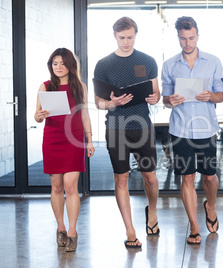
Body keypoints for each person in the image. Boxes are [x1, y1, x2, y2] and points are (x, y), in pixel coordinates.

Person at [94, 16, 161, 249]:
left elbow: (156, 94)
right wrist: (112, 103)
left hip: (142, 126)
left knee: (150, 177)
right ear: (115, 36)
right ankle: (130, 231)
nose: (126, 42)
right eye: (121, 38)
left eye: (130, 37)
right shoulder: (103, 64)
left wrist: (155, 98)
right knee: (120, 178)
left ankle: (152, 212)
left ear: (135, 35)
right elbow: (98, 103)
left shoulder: (148, 60)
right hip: (115, 128)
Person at [161, 16, 223, 245]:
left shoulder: (213, 61)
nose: (187, 43)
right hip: (181, 129)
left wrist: (211, 96)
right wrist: (172, 100)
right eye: (183, 39)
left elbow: (220, 95)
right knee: (187, 177)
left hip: (206, 128)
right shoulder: (169, 65)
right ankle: (195, 227)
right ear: (178, 37)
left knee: (210, 176)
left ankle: (211, 205)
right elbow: (165, 100)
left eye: (191, 38)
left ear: (197, 35)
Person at [34, 48, 95, 252]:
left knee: (71, 186)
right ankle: (60, 226)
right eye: (54, 63)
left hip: (74, 138)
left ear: (70, 64)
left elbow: (84, 114)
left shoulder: (80, 86)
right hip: (52, 138)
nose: (58, 67)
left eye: (62, 63)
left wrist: (90, 140)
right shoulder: (45, 86)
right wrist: (40, 115)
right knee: (56, 186)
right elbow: (36, 116)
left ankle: (72, 231)